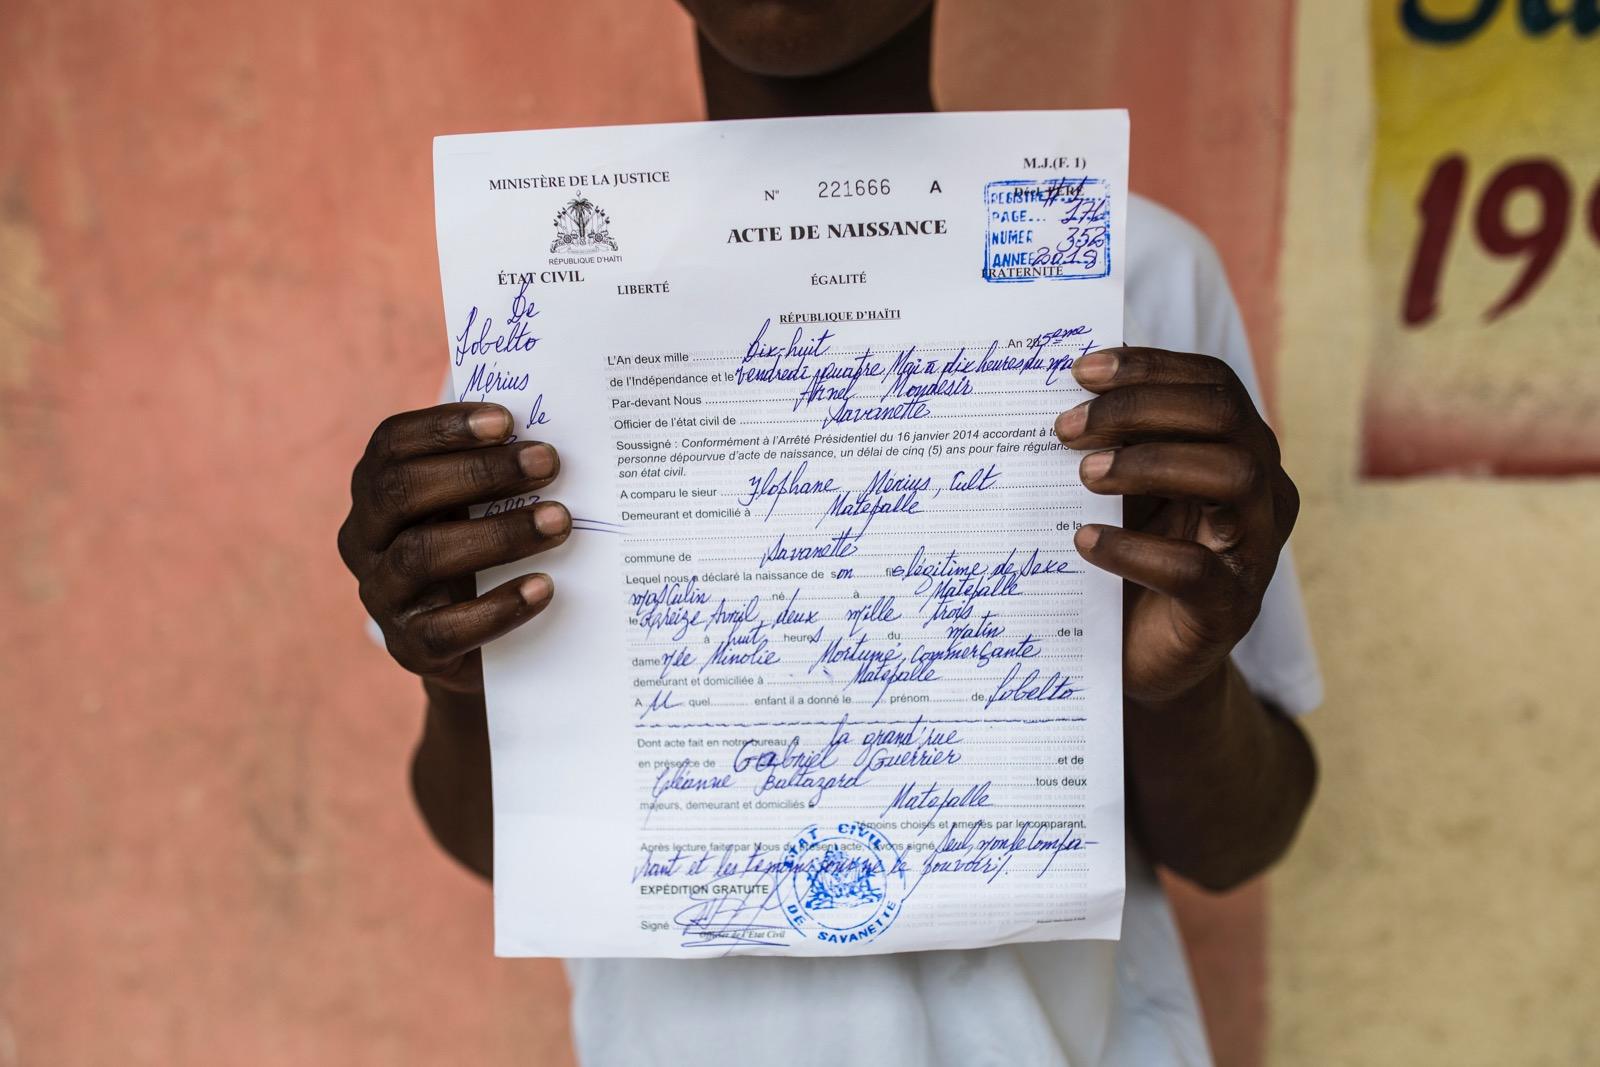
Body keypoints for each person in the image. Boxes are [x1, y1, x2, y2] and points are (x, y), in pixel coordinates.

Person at [336, 2, 1323, 1063]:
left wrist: (1174, 686)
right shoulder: (548, 310)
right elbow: (498, 847)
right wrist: (454, 678)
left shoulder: (1139, 277)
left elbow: (1241, 839)